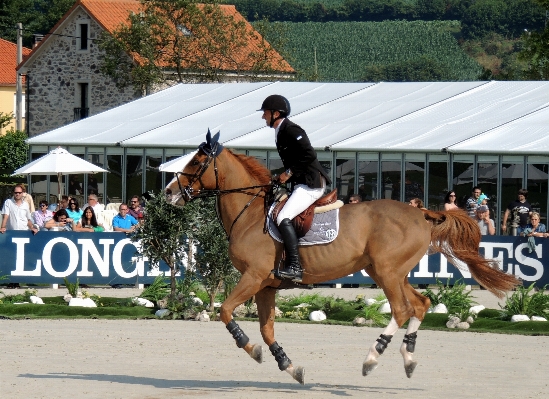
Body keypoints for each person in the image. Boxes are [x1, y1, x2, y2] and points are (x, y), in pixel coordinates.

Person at [259, 94, 331, 282]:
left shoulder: (291, 129)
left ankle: (295, 267)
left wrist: (287, 173)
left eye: (265, 113)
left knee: (283, 216)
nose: (263, 117)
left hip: (311, 184)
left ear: (276, 113)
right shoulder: (280, 131)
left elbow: (309, 154)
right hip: (300, 183)